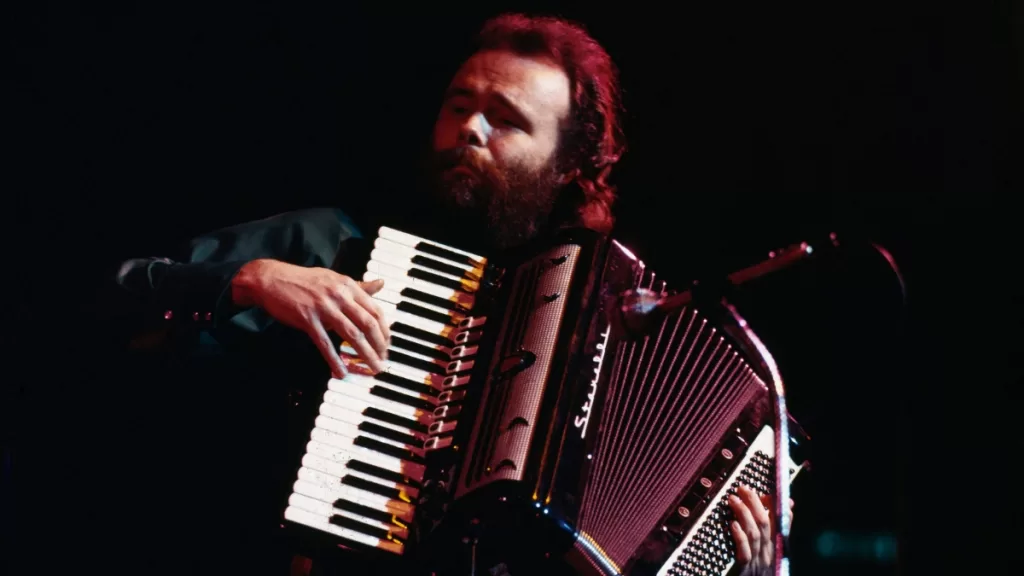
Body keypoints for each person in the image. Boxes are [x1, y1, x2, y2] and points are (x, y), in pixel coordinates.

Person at [102, 13, 792, 576]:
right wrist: (247, 280)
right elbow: (101, 307)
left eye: (506, 119)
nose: (470, 128)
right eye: (460, 106)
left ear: (568, 165)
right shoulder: (327, 247)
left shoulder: (610, 326)